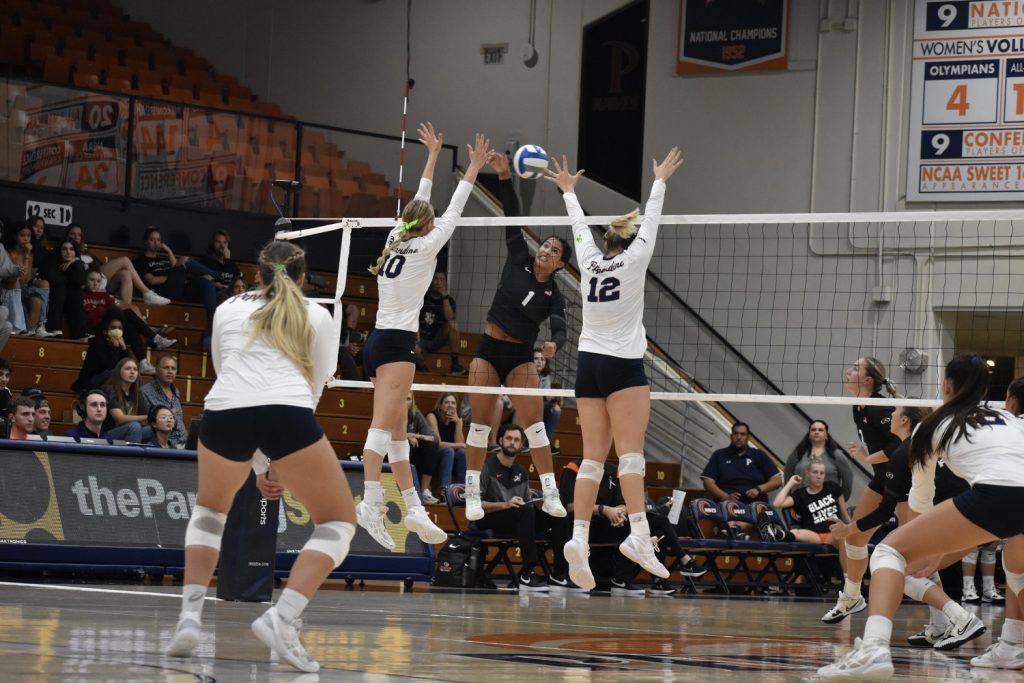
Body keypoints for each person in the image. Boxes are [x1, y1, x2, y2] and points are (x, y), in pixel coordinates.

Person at [164, 240, 353, 674]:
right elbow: (314, 389)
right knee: (339, 522)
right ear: (303, 278)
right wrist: (278, 462)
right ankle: (281, 617)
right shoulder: (318, 315)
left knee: (210, 511)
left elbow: (226, 372)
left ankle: (189, 619)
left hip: (224, 409)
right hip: (287, 410)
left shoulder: (227, 307)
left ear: (257, 273)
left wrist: (259, 463)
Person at [818, 354, 1024, 679]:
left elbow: (921, 500)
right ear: (987, 389)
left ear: (945, 385)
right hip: (1008, 499)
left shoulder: (932, 426)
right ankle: (1014, 645)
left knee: (888, 551)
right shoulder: (1009, 418)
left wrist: (923, 549)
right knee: (1015, 566)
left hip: (994, 495)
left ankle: (873, 648)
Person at [546, 148, 684, 590]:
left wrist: (569, 191)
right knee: (630, 457)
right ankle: (640, 536)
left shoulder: (588, 262)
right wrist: (659, 180)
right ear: (628, 242)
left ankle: (579, 537)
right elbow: (653, 220)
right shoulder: (636, 259)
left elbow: (578, 229)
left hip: (588, 367)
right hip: (623, 367)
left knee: (591, 459)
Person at [356, 124, 488, 550]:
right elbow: (453, 207)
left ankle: (411, 506)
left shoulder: (396, 237)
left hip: (377, 342)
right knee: (382, 428)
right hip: (396, 346)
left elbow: (423, 198)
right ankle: (371, 501)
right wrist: (473, 168)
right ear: (427, 227)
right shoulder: (429, 245)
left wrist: (432, 157)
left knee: (397, 431)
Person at [461, 151, 570, 524]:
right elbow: (512, 216)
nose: (546, 249)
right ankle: (472, 493)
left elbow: (560, 325)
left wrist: (555, 341)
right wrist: (504, 176)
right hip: (488, 350)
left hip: (522, 356)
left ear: (559, 264)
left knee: (536, 428)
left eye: (554, 250)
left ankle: (551, 492)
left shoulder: (554, 293)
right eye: (546, 244)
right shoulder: (518, 256)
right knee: (479, 424)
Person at [821, 356, 901, 625]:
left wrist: (866, 459)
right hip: (882, 479)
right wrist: (868, 455)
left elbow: (901, 445)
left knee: (912, 555)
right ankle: (852, 597)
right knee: (853, 539)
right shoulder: (859, 407)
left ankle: (946, 618)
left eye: (855, 368)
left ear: (868, 380)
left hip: (904, 482)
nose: (847, 370)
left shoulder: (880, 409)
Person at [971, 376, 1024, 670]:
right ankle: (1010, 644)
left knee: (1016, 569)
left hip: (1014, 499)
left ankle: (1011, 644)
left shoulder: (1009, 427)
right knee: (1014, 568)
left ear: (1012, 401)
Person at [475, 423, 554, 592]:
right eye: (509, 438)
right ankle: (528, 572)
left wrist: (540, 505)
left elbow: (524, 503)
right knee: (525, 512)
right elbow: (476, 505)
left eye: (517, 440)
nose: (512, 442)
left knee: (553, 515)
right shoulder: (485, 466)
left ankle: (561, 574)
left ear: (521, 445)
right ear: (500, 440)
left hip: (515, 517)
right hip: (487, 518)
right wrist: (505, 504)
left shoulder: (521, 470)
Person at [65, 223, 170, 307]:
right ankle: (147, 293)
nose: (76, 237)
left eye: (79, 235)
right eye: (72, 234)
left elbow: (98, 266)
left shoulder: (86, 251)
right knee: (125, 260)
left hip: (100, 281)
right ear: (67, 235)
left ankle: (126, 309)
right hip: (85, 282)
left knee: (126, 273)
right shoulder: (64, 251)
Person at [83, 270, 176, 361]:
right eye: (92, 280)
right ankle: (155, 338)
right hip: (95, 329)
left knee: (130, 327)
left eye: (98, 281)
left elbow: (116, 310)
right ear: (85, 280)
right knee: (127, 313)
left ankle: (143, 361)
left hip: (109, 327)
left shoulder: (104, 295)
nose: (95, 283)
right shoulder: (80, 295)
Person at [701, 422, 783, 505]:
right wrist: (725, 497)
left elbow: (777, 480)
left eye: (743, 434)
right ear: (731, 436)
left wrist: (758, 489)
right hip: (726, 505)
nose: (739, 437)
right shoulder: (719, 455)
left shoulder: (759, 455)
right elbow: (708, 482)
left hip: (756, 506)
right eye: (736, 434)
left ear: (748, 437)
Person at [773, 460, 850, 545]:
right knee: (796, 532)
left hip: (836, 532)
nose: (819, 476)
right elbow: (777, 504)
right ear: (807, 473)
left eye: (822, 473)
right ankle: (777, 534)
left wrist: (853, 529)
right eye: (815, 472)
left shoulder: (832, 487)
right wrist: (791, 483)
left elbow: (844, 514)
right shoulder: (800, 494)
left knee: (840, 536)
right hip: (815, 536)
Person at [783, 420, 853, 501]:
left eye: (820, 430)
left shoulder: (837, 455)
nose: (816, 432)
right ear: (809, 434)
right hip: (799, 504)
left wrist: (840, 502)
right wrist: (787, 500)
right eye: (813, 430)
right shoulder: (798, 453)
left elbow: (848, 481)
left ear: (826, 435)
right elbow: (787, 477)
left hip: (826, 506)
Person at [415, 271, 465, 374]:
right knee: (412, 346)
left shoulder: (449, 300)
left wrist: (444, 297)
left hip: (437, 339)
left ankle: (455, 364)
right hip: (421, 339)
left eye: (441, 279)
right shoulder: (422, 297)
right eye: (436, 279)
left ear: (445, 282)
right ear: (431, 281)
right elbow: (413, 318)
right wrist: (417, 339)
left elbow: (450, 318)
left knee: (453, 324)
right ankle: (424, 368)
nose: (438, 282)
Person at [71, 308, 132, 392]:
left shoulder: (121, 344)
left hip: (110, 382)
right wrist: (115, 347)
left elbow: (128, 364)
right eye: (113, 328)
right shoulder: (97, 343)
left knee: (133, 373)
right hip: (91, 381)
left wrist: (124, 348)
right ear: (105, 331)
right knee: (113, 373)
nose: (117, 331)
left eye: (119, 328)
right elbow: (110, 366)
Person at [9, 223, 52, 337]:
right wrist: (27, 254)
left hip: (24, 288)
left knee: (37, 300)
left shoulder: (30, 255)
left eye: (28, 236)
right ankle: (27, 330)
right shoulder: (10, 254)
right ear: (15, 236)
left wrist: (27, 255)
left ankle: (37, 327)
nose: (26, 239)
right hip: (11, 290)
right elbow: (20, 279)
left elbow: (27, 279)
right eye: (22, 235)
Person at [140, 355, 188, 448]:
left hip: (184, 442)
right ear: (157, 370)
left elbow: (179, 419)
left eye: (173, 368)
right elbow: (146, 422)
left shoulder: (176, 391)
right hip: (164, 444)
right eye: (166, 368)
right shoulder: (145, 391)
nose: (170, 371)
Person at [426, 392, 467, 498]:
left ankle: (461, 492)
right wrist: (460, 445)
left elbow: (460, 443)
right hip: (432, 458)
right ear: (440, 405)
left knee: (462, 453)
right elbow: (438, 443)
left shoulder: (458, 419)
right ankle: (446, 492)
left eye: (453, 403)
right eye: (446, 402)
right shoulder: (432, 416)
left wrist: (458, 424)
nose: (450, 405)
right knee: (449, 451)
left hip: (450, 459)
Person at [103, 357, 154, 443]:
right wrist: (149, 417)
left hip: (132, 431)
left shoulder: (137, 393)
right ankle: (132, 456)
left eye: (135, 369)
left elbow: (145, 418)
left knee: (154, 429)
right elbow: (120, 418)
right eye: (127, 369)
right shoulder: (110, 390)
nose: (132, 372)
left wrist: (148, 418)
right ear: (119, 372)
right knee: (134, 426)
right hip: (109, 433)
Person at [64, 388, 143, 442]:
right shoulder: (71, 437)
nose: (99, 409)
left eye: (102, 405)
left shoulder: (108, 439)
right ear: (84, 409)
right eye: (94, 405)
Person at [45, 239, 87, 339]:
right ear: (59, 251)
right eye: (64, 249)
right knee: (61, 288)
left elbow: (80, 280)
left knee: (76, 292)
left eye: (71, 249)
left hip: (71, 302)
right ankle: (54, 328)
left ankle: (80, 334)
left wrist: (76, 262)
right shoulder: (53, 262)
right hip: (54, 300)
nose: (68, 252)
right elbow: (53, 281)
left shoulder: (76, 264)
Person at [405, 391, 441, 504]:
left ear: (412, 401)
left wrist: (415, 435)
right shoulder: (390, 411)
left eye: (408, 399)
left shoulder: (415, 413)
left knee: (432, 446)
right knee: (406, 444)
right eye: (403, 398)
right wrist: (406, 436)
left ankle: (424, 491)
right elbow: (386, 433)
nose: (405, 402)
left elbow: (434, 438)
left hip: (412, 454)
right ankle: (406, 490)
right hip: (390, 451)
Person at [199, 230, 242, 300]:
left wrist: (227, 260)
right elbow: (225, 279)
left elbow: (237, 279)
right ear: (212, 244)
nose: (222, 246)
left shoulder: (231, 263)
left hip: (232, 294)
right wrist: (227, 260)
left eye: (225, 242)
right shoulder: (206, 261)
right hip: (214, 294)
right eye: (218, 242)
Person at [534, 349, 562, 440]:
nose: (539, 362)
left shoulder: (545, 376)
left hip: (540, 405)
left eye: (542, 359)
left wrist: (552, 398)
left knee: (556, 409)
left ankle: (546, 441)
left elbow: (546, 394)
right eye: (536, 359)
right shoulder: (525, 374)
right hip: (526, 404)